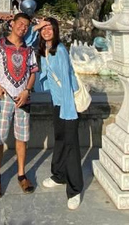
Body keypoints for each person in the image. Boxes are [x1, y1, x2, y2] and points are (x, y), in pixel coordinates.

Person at [27, 17, 84, 210]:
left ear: (56, 30)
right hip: (57, 103)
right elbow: (25, 40)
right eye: (44, 28)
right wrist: (37, 26)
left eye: (50, 28)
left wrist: (68, 111)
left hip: (68, 104)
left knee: (70, 145)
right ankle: (59, 175)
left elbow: (67, 84)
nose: (46, 31)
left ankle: (75, 189)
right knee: (60, 140)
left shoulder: (59, 51)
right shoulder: (43, 51)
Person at [0, 12, 38, 197]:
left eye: (26, 26)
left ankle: (21, 174)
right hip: (4, 97)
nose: (23, 28)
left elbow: (33, 72)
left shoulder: (30, 50)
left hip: (23, 97)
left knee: (22, 137)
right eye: (20, 24)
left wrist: (27, 90)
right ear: (13, 23)